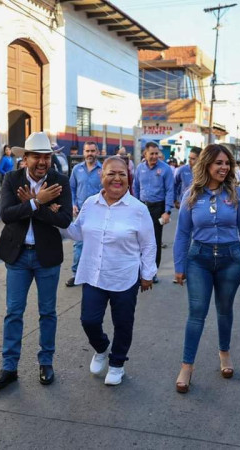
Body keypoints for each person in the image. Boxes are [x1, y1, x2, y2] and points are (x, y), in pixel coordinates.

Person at [173, 144, 240, 393]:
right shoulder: (192, 194)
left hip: (231, 259)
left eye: (226, 163)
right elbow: (182, 234)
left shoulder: (236, 193)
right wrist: (179, 265)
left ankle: (224, 353)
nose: (223, 167)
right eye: (218, 163)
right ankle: (187, 366)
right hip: (198, 258)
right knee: (197, 312)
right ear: (207, 165)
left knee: (224, 309)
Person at [63, 157, 157, 386]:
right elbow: (77, 233)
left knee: (123, 323)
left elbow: (148, 244)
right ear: (101, 176)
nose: (117, 179)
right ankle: (102, 348)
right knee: (89, 320)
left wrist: (147, 274)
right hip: (94, 274)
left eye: (122, 174)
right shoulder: (90, 204)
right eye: (111, 174)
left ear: (128, 177)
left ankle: (117, 364)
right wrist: (58, 218)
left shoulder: (138, 209)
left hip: (124, 276)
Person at [0, 131, 72, 389]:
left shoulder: (60, 181)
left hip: (46, 256)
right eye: (36, 156)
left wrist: (34, 207)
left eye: (46, 157)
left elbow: (65, 220)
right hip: (18, 256)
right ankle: (9, 367)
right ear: (25, 158)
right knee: (14, 312)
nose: (42, 162)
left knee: (47, 312)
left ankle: (46, 362)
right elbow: (6, 214)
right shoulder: (12, 179)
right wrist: (40, 203)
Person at [132, 141, 174, 283]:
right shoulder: (139, 168)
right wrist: (136, 205)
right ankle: (140, 270)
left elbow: (170, 190)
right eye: (152, 153)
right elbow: (135, 187)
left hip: (158, 208)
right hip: (142, 207)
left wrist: (167, 211)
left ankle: (152, 272)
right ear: (145, 154)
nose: (155, 156)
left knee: (154, 241)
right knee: (138, 239)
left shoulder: (165, 169)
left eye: (157, 153)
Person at [66, 141, 103, 288]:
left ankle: (95, 274)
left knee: (98, 244)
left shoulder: (103, 170)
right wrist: (73, 204)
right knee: (79, 244)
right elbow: (71, 189)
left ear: (97, 152)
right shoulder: (77, 169)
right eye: (87, 151)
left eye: (92, 151)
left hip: (99, 212)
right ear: (84, 152)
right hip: (81, 212)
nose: (90, 154)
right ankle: (77, 275)